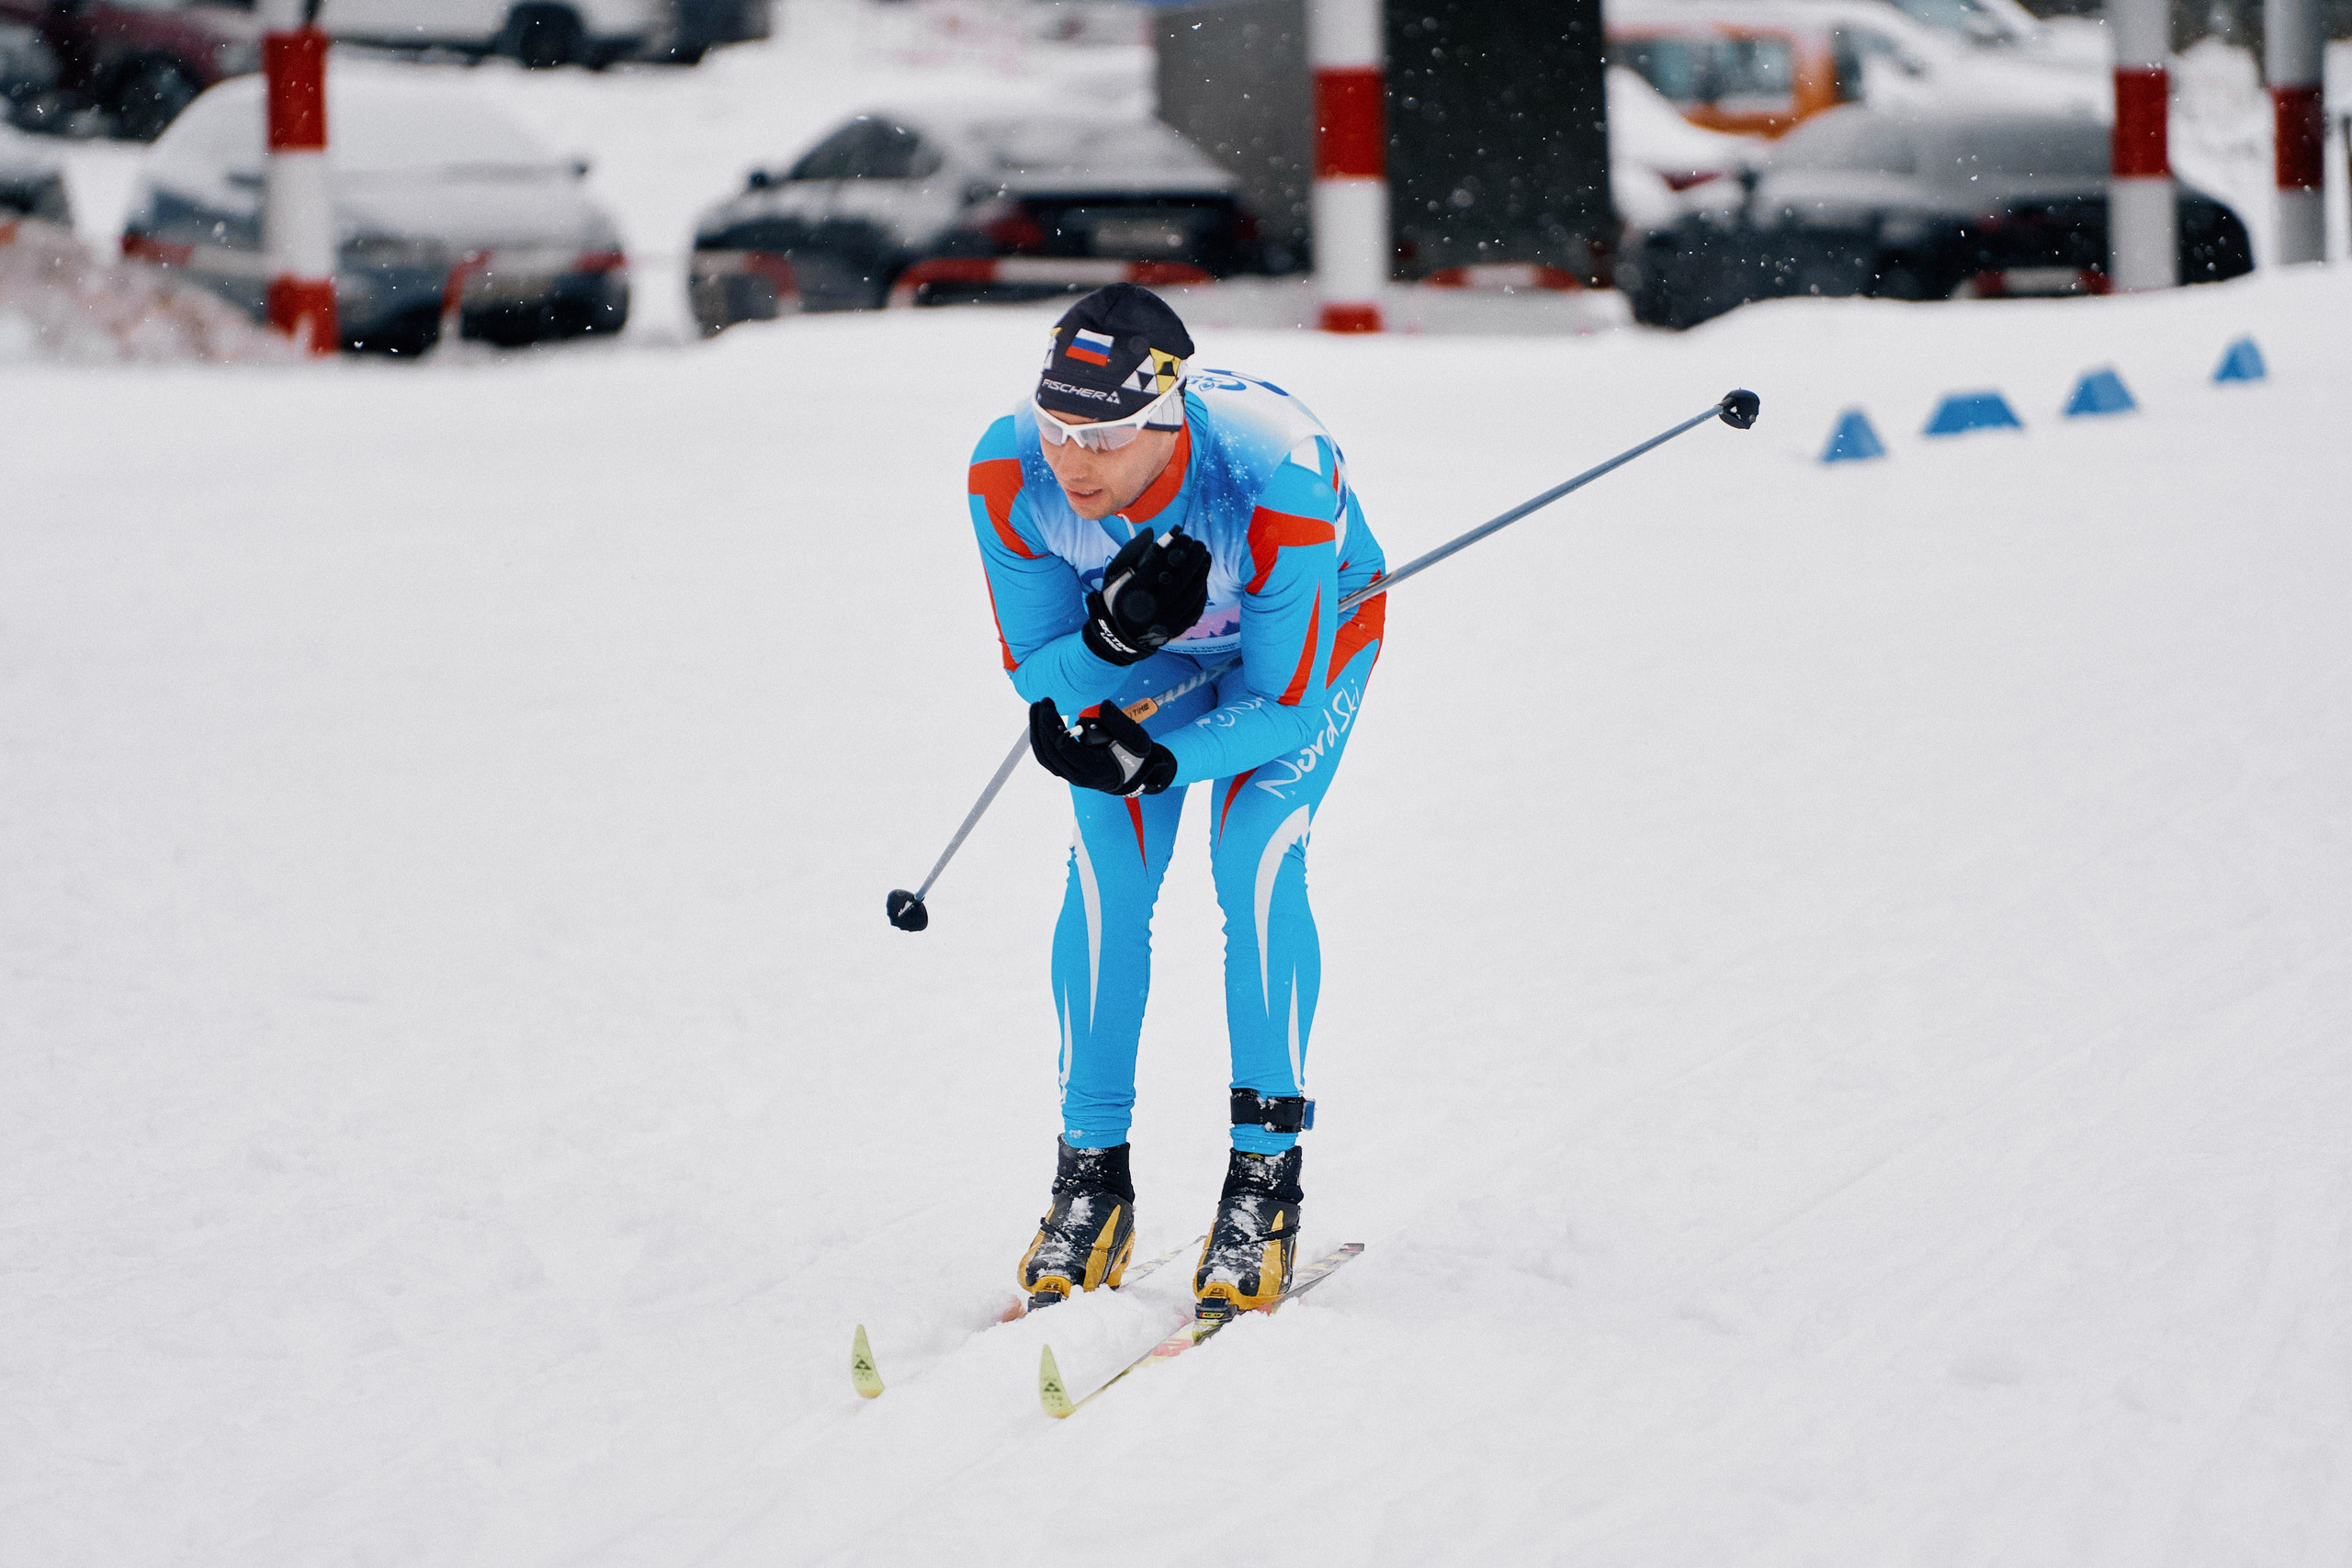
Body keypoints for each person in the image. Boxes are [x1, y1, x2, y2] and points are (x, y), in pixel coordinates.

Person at [964, 283, 1386, 1322]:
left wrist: (1158, 763)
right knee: (1110, 873)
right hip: (1156, 652)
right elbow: (1034, 671)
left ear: (1167, 418)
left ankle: (1262, 1185)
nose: (1074, 461)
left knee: (1254, 855)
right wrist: (1106, 644)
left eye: (1104, 437)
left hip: (1303, 643)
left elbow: (1283, 709)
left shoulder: (1275, 476)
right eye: (1058, 429)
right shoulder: (1008, 471)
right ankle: (1089, 1177)